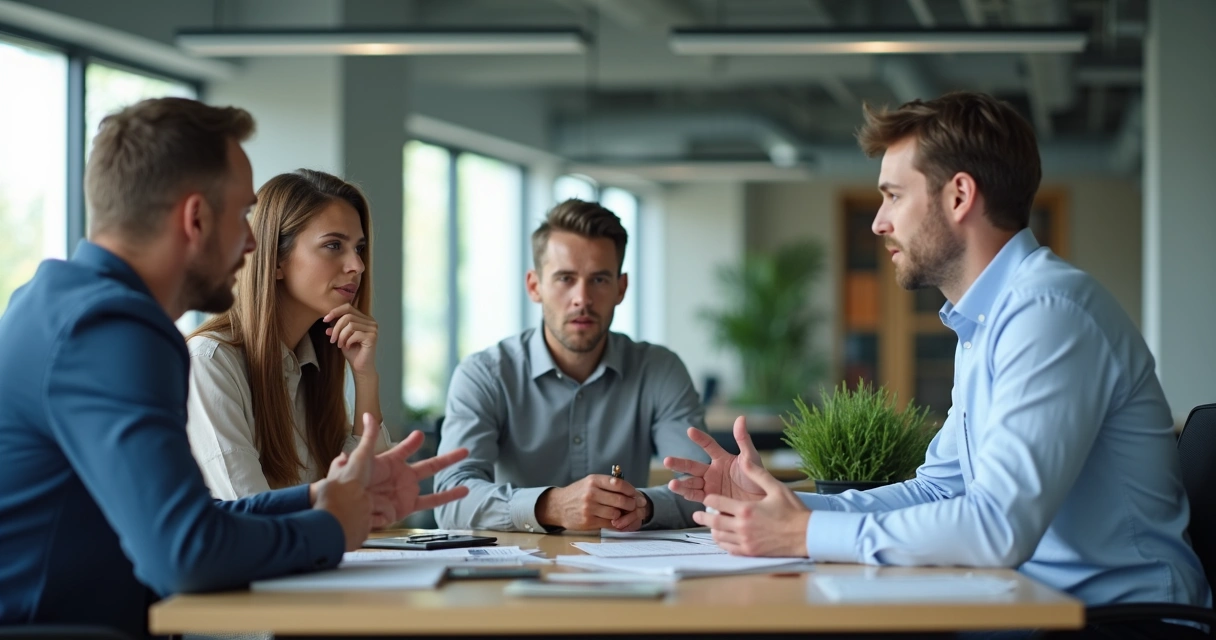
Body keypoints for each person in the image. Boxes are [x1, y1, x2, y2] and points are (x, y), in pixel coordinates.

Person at [664, 92, 1210, 633]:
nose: (879, 223)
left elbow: (997, 528)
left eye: (894, 196)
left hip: (1126, 625)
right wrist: (787, 509)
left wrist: (802, 536)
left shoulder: (1048, 313)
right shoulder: (985, 321)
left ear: (959, 196)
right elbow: (938, 490)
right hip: (1032, 608)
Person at [0, 98, 469, 639]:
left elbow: (196, 517)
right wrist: (328, 528)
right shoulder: (113, 330)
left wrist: (318, 499)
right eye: (242, 215)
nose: (252, 242)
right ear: (196, 218)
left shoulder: (55, 300)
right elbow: (185, 553)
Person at [434, 199, 710, 533]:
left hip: (629, 570)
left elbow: (705, 487)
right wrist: (550, 506)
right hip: (515, 571)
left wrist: (644, 506)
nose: (582, 298)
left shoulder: (659, 369)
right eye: (566, 278)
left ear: (621, 288)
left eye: (599, 280)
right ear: (535, 286)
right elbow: (451, 496)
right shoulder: (484, 374)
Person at [186, 169, 393, 500]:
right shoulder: (209, 363)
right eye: (334, 245)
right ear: (276, 260)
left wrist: (365, 378)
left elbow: (375, 503)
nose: (357, 265)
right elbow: (252, 515)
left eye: (359, 247)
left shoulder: (311, 365)